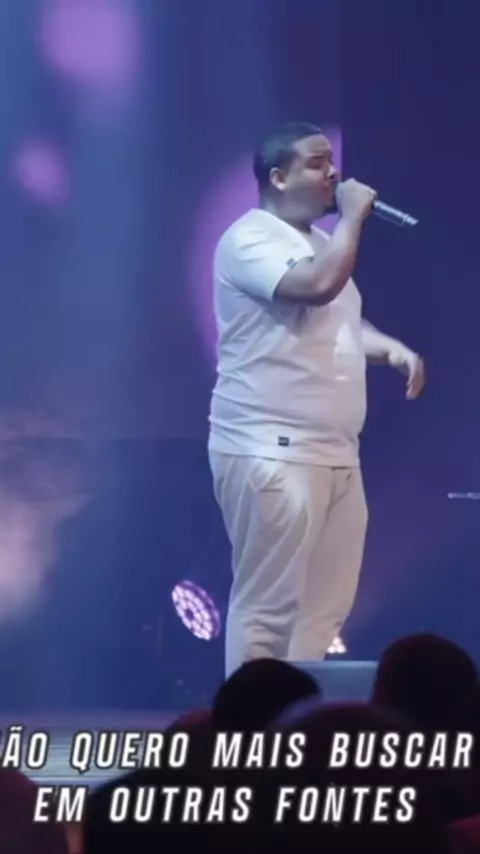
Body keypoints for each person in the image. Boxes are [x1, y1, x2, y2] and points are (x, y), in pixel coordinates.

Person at [208, 121, 426, 677]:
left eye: (332, 161)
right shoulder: (250, 238)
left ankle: (296, 719)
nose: (333, 173)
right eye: (316, 162)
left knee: (322, 612)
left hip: (335, 451)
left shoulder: (323, 245)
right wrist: (352, 216)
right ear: (278, 177)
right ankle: (251, 726)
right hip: (271, 447)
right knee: (269, 608)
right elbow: (315, 288)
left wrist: (389, 348)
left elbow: (339, 320)